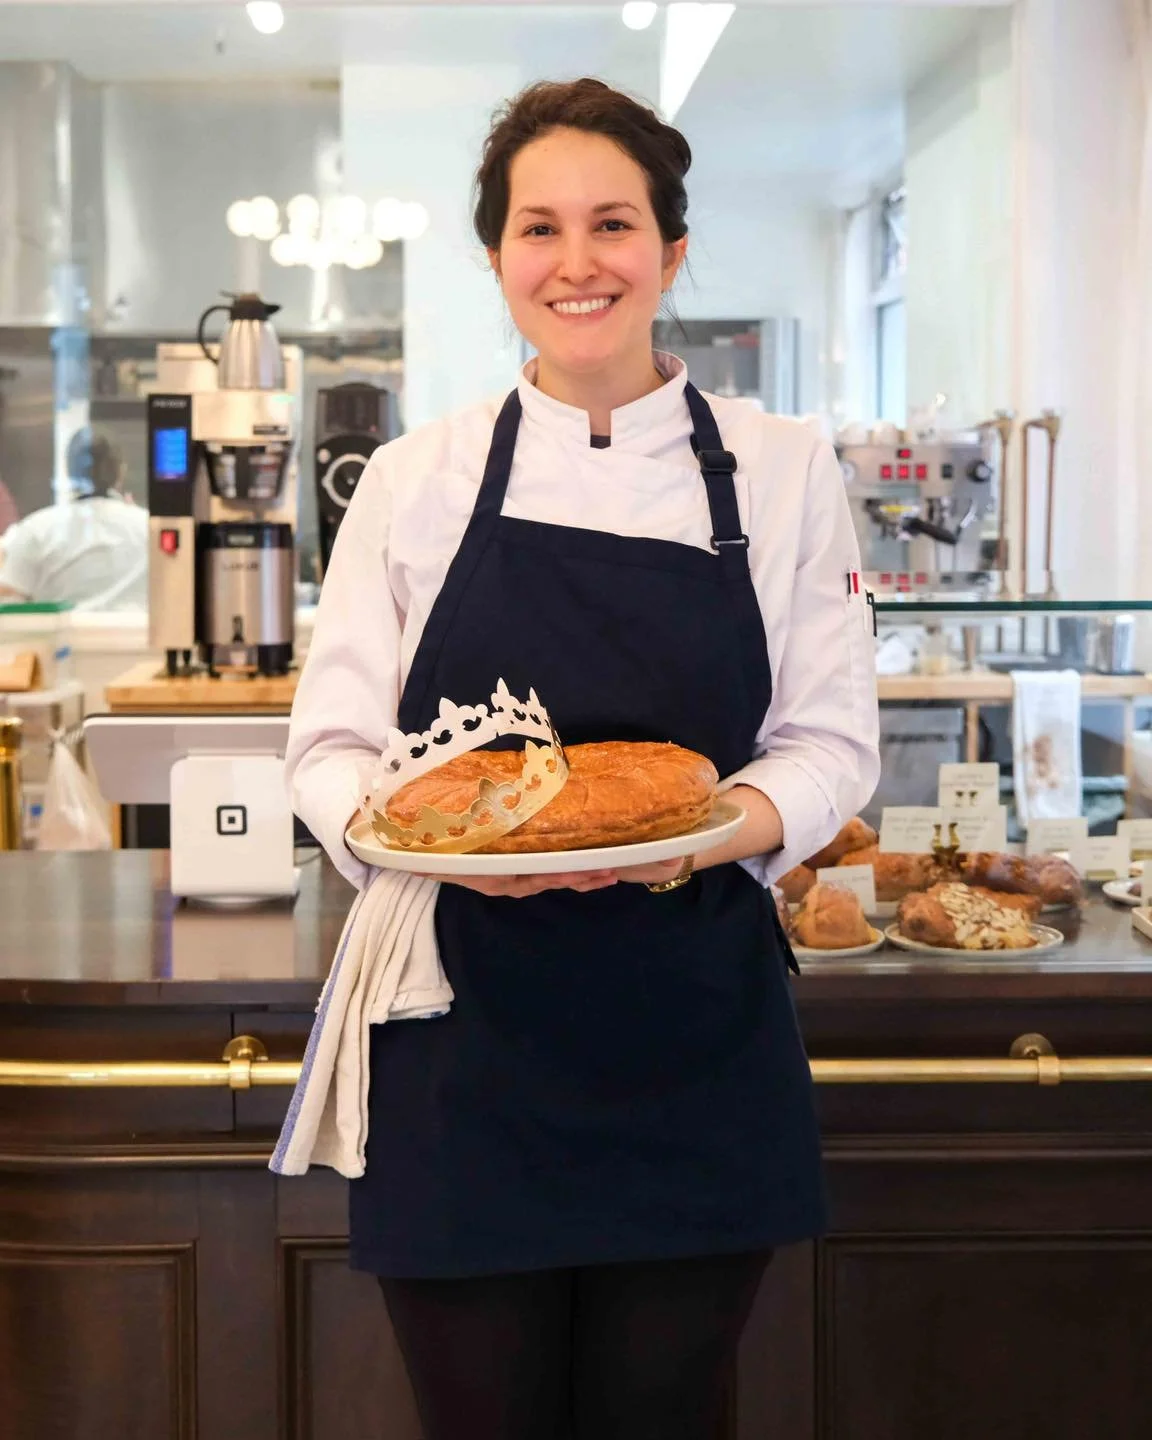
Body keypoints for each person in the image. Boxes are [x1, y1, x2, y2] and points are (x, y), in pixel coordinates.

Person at [286, 78, 879, 1440]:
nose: (577, 261)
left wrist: (700, 832)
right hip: (457, 1035)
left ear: (672, 249)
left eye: (613, 223)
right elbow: (327, 748)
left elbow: (832, 746)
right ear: (497, 257)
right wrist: (425, 845)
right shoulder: (418, 478)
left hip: (694, 1029)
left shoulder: (783, 471)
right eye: (537, 228)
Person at [0, 431, 148, 609]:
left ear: (69, 472)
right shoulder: (149, 528)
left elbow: (9, 602)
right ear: (121, 471)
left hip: (61, 636)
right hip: (139, 635)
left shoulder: (37, 529)